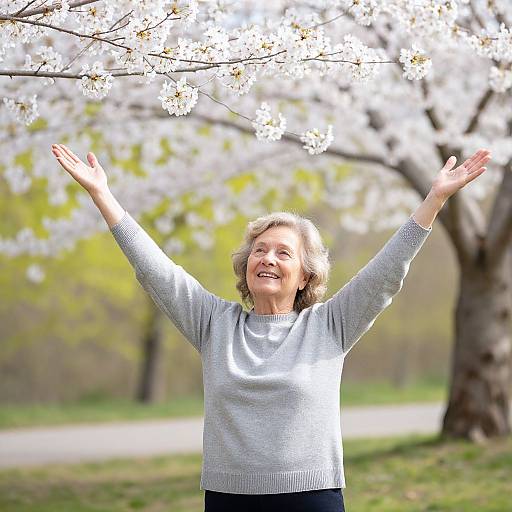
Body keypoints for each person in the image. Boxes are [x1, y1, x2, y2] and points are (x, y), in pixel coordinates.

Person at [51, 143, 490, 512]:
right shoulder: (214, 324)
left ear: (305, 275)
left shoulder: (330, 325)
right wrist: (102, 196)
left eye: (284, 253)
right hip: (229, 497)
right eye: (260, 250)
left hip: (311, 496)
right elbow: (157, 272)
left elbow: (386, 274)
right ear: (245, 268)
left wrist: (434, 201)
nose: (268, 259)